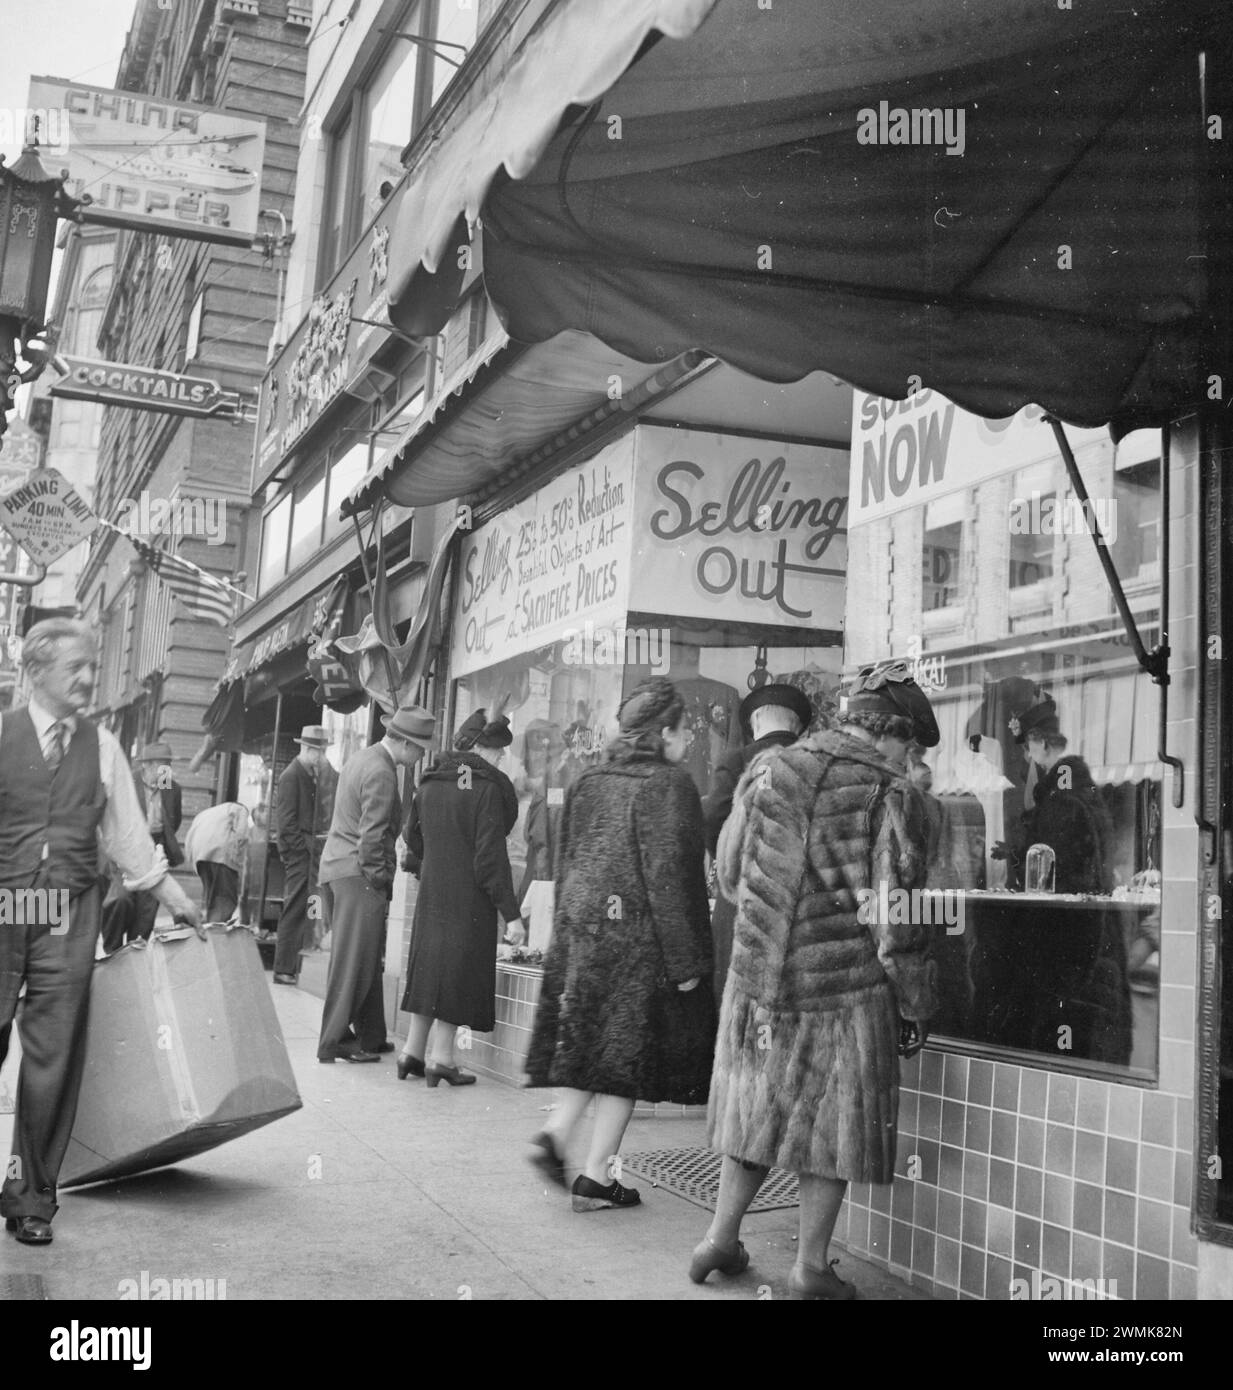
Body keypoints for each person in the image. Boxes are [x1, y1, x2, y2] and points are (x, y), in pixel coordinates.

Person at [692, 659, 937, 1298]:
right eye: (909, 744)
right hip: (843, 995)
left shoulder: (770, 768)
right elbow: (897, 920)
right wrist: (914, 1003)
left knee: (755, 1110)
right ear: (890, 735)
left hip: (758, 986)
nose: (909, 757)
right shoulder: (891, 795)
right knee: (833, 1128)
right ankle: (809, 1269)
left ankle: (719, 1239)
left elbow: (727, 871)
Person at [0, 619, 202, 1246]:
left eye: (93, 665)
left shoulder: (104, 745)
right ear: (35, 673)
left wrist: (173, 896)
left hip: (66, 913)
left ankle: (30, 1197)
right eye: (75, 668)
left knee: (52, 1058)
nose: (89, 678)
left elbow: (126, 838)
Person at [524, 677, 717, 1211]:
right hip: (640, 944)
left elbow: (568, 864)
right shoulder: (669, 784)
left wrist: (564, 937)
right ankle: (592, 1172)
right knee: (624, 1056)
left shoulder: (590, 780)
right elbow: (669, 877)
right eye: (684, 730)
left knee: (598, 1047)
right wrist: (687, 961)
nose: (689, 741)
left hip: (588, 936)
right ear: (664, 732)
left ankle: (563, 1138)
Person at [396, 709, 525, 1086]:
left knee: (429, 971)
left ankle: (411, 1053)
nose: (501, 760)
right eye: (498, 752)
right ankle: (441, 1059)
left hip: (433, 894)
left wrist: (434, 866)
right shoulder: (486, 789)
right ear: (483, 750)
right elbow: (491, 860)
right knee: (454, 973)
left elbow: (412, 838)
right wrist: (512, 915)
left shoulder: (431, 782)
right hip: (468, 900)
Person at [316, 704, 435, 1063]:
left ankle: (371, 1035)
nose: (418, 757)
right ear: (406, 743)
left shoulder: (362, 758)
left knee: (363, 957)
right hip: (359, 875)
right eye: (419, 749)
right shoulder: (383, 772)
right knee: (354, 961)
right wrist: (381, 881)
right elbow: (372, 837)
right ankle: (332, 1041)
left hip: (339, 869)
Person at [702, 682, 813, 1006]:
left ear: (756, 721)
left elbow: (713, 817)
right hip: (798, 904)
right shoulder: (814, 762)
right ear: (797, 726)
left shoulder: (736, 760)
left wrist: (728, 863)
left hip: (742, 899)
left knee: (736, 1002)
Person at [272, 725, 338, 985]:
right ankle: (283, 968)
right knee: (295, 907)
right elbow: (286, 822)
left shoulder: (310, 772)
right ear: (309, 749)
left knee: (307, 907)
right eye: (320, 752)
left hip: (308, 854)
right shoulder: (292, 775)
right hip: (301, 856)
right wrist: (301, 850)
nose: (322, 757)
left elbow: (335, 780)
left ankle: (293, 966)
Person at [131, 741, 185, 941]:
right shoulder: (129, 782)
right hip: (130, 846)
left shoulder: (170, 787)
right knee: (122, 902)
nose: (167, 770)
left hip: (156, 848)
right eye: (163, 765)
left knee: (149, 905)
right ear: (147, 764)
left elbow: (174, 820)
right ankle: (116, 950)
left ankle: (139, 945)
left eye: (168, 765)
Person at [183, 800, 253, 922]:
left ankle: (204, 928)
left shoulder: (205, 813)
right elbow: (242, 835)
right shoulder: (240, 809)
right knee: (225, 898)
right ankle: (214, 932)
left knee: (209, 899)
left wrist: (193, 859)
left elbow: (189, 838)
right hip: (220, 855)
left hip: (200, 856)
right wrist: (238, 864)